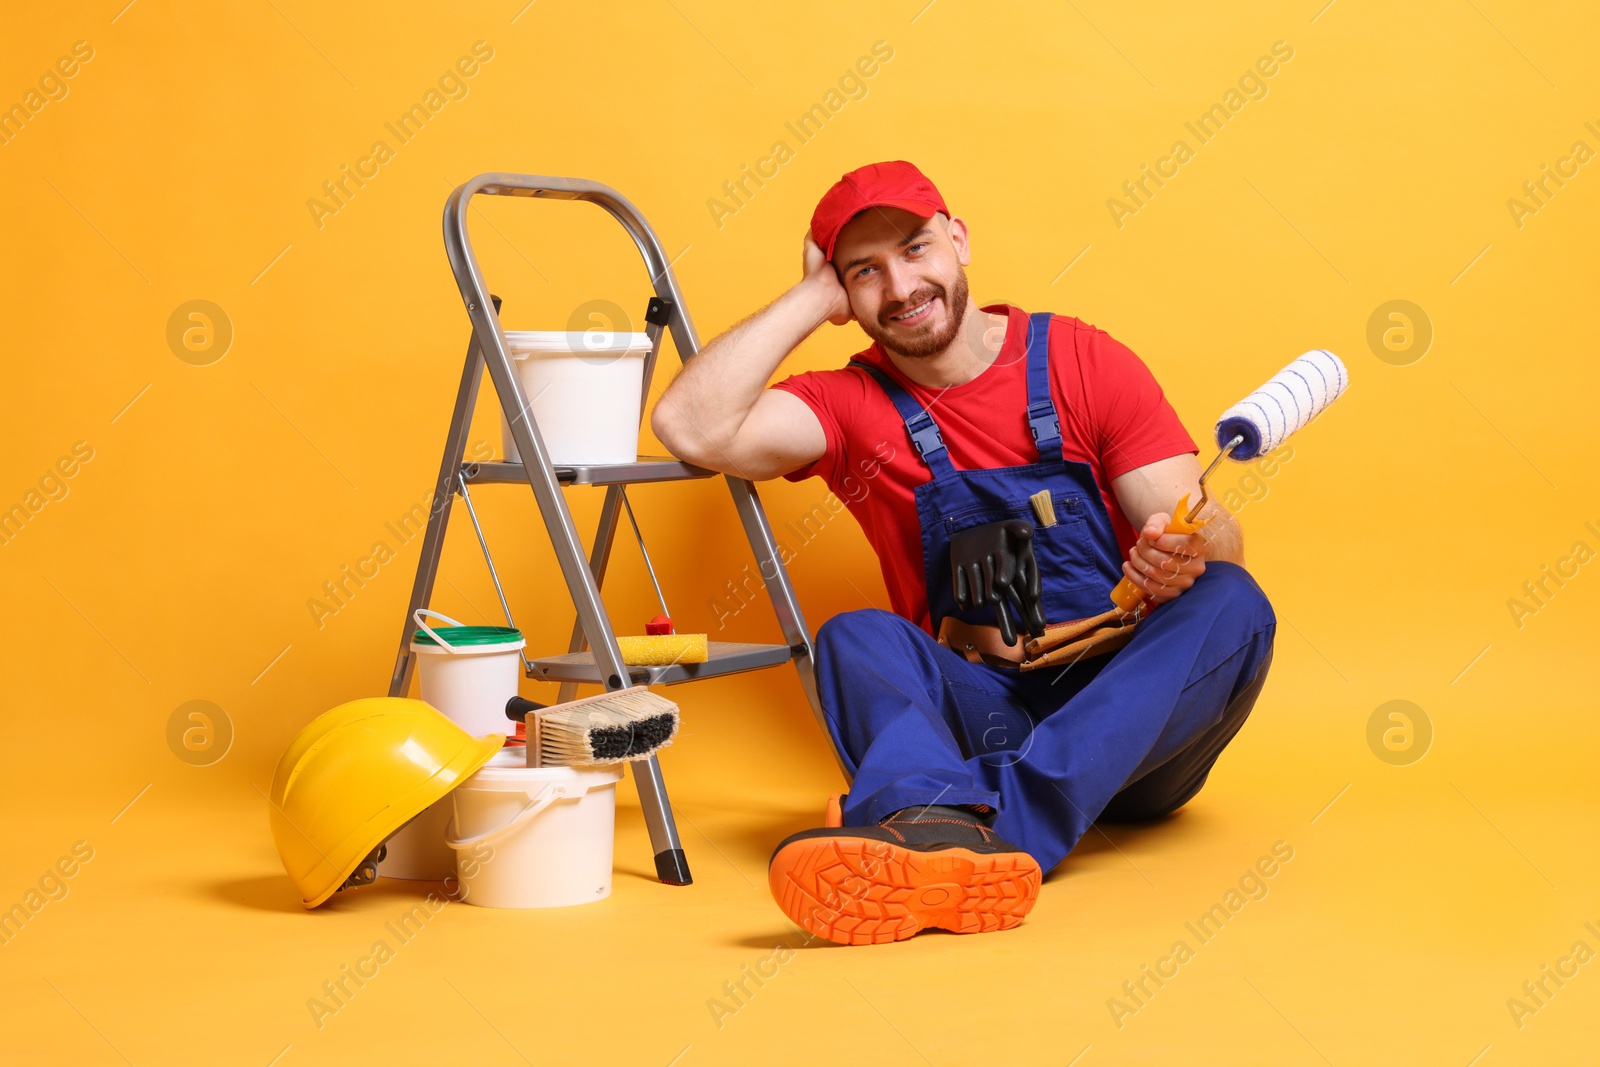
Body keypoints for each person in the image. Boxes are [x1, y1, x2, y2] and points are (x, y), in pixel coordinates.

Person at [652, 160, 1276, 946]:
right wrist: (812, 296)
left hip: (1137, 728)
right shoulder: (851, 405)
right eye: (864, 272)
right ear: (844, 297)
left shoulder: (1084, 362)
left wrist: (1185, 550)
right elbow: (690, 426)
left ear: (958, 240)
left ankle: (960, 824)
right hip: (993, 713)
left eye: (915, 249)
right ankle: (939, 821)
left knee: (1232, 601)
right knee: (855, 635)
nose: (901, 286)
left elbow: (1209, 533)